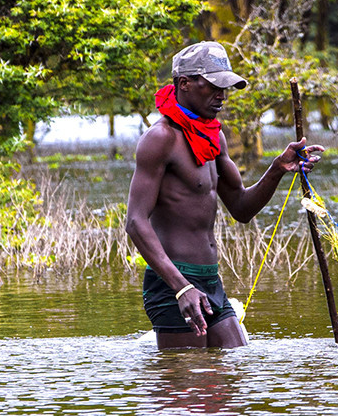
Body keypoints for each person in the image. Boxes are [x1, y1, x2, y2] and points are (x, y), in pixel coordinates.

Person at [125, 41, 323, 349]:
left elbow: (242, 209)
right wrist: (181, 288)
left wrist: (277, 168)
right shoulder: (160, 139)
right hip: (174, 284)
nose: (222, 95)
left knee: (234, 366)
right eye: (214, 86)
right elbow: (136, 222)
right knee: (187, 383)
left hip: (209, 279)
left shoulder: (213, 136)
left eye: (226, 87)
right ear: (184, 84)